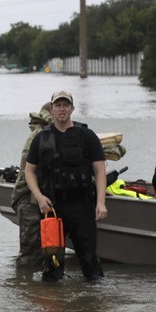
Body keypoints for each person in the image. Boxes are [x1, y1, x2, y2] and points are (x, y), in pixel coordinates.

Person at [24, 91, 107, 281]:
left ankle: (93, 303)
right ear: (51, 110)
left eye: (65, 105)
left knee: (89, 262)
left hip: (82, 205)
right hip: (51, 208)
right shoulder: (41, 138)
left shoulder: (87, 136)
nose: (62, 109)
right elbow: (29, 171)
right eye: (58, 105)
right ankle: (53, 306)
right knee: (52, 262)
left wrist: (100, 202)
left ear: (72, 109)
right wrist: (38, 197)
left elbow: (100, 170)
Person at [10, 103, 53, 266]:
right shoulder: (39, 135)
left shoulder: (44, 133)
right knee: (30, 254)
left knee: (46, 250)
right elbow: (28, 172)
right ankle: (25, 287)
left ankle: (31, 288)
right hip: (29, 199)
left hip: (37, 199)